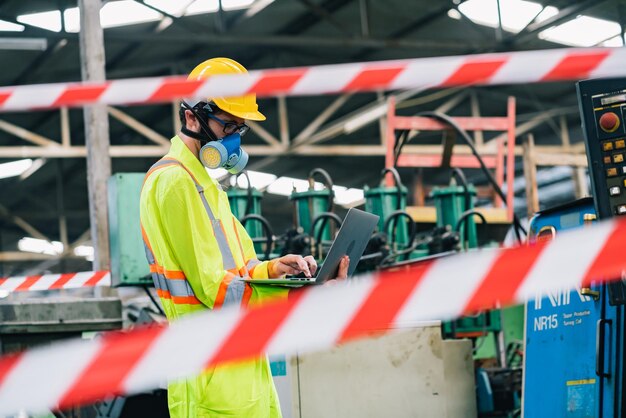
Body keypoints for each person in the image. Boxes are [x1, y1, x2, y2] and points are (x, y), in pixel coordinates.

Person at [139, 57, 348, 418]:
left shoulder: (206, 186)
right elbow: (215, 289)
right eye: (227, 126)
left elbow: (239, 268)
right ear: (192, 117)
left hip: (239, 366)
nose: (234, 138)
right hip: (209, 374)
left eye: (240, 128)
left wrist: (274, 269)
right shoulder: (175, 183)